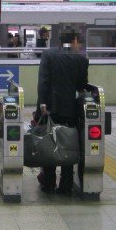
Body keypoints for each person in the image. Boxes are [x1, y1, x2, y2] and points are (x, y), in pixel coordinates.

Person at [36, 29, 89, 195]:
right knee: (68, 144)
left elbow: (43, 81)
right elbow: (82, 85)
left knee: (50, 142)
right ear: (74, 40)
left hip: (50, 108)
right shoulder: (81, 59)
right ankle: (65, 185)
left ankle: (49, 183)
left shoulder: (48, 55)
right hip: (70, 109)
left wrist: (43, 103)